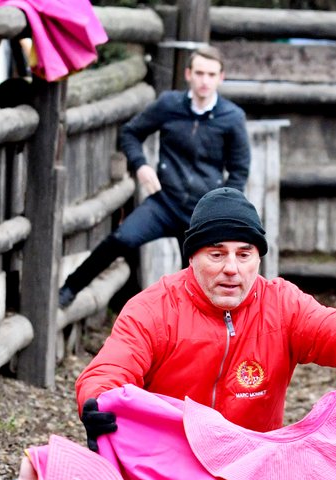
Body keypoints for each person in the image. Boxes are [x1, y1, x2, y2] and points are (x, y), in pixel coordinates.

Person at [75, 187, 336, 444]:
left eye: (244, 254)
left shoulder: (281, 306)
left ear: (258, 258)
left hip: (253, 467)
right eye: (216, 254)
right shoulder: (154, 308)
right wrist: (99, 401)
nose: (231, 269)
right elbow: (111, 367)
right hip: (170, 467)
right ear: (193, 258)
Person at [57, 45, 250, 310]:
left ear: (221, 78)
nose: (205, 81)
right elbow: (130, 133)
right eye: (200, 73)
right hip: (164, 201)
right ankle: (69, 289)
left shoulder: (232, 117)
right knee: (122, 238)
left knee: (195, 281)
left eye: (211, 75)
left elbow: (239, 171)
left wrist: (221, 210)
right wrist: (141, 166)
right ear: (188, 74)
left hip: (200, 213)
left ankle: (189, 340)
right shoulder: (169, 105)